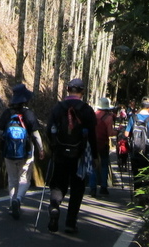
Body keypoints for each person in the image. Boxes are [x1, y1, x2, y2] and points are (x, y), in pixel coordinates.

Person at [45, 77, 98, 233]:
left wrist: (53, 147)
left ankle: (55, 206)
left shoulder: (58, 108)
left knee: (58, 183)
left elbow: (49, 130)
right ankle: (70, 222)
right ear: (82, 92)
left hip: (60, 154)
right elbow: (93, 136)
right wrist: (95, 156)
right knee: (77, 187)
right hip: (79, 156)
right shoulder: (86, 110)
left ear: (67, 90)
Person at [0, 83, 45, 219]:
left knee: (12, 179)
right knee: (24, 179)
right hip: (26, 152)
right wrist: (41, 150)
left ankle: (12, 203)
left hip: (8, 153)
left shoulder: (7, 113)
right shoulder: (29, 114)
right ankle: (18, 199)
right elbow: (36, 135)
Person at [126, 97, 149, 205]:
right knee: (148, 176)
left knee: (136, 175)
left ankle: (137, 196)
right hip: (148, 154)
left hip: (135, 152)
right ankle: (145, 197)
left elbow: (126, 134)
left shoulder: (133, 118)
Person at [89, 96, 115, 197]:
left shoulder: (93, 116)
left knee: (93, 166)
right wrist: (118, 132)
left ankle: (92, 188)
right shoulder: (108, 118)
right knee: (104, 165)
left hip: (93, 143)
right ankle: (103, 187)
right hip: (103, 144)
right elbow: (110, 133)